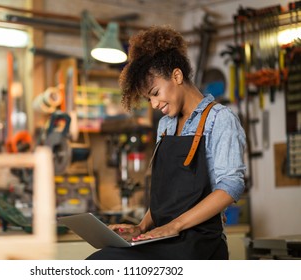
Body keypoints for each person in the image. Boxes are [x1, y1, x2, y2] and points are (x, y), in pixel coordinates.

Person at [86, 25, 246, 260]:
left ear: (177, 76)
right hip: (163, 239)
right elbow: (169, 195)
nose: (154, 104)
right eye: (148, 98)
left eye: (155, 92)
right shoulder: (166, 126)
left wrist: (176, 226)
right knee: (99, 260)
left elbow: (231, 187)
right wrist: (141, 227)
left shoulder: (219, 119)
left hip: (197, 245)